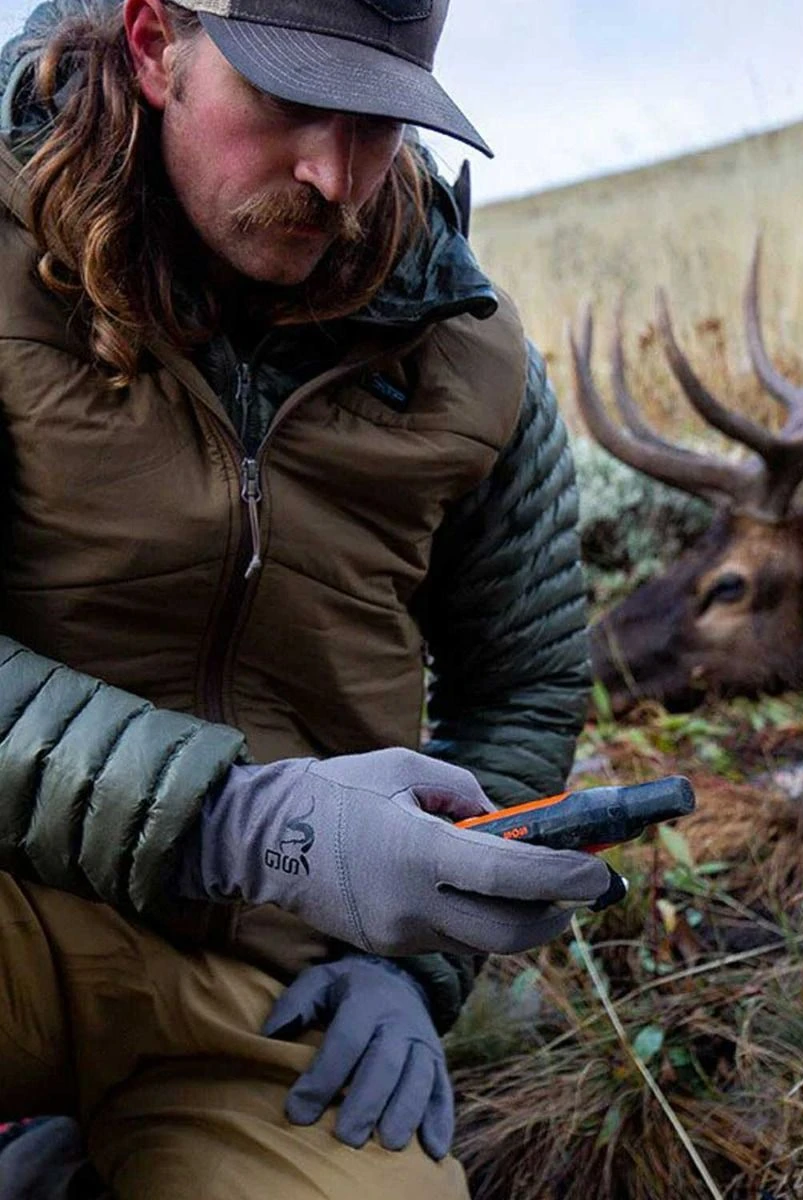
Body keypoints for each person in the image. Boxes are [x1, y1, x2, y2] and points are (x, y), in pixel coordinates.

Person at [0, 1, 613, 1196]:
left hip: (272, 992)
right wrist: (244, 821)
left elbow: (525, 679)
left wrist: (418, 968)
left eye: (382, 118)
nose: (337, 177)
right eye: (287, 101)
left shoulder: (470, 352)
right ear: (151, 45)